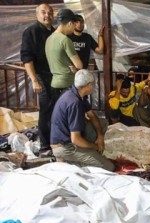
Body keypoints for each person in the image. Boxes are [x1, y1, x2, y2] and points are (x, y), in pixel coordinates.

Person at [50, 69, 114, 171]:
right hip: (65, 147)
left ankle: (83, 156)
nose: (94, 86)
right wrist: (94, 147)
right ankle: (68, 163)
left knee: (102, 123)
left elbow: (92, 115)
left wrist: (100, 136)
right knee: (108, 167)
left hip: (67, 140)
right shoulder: (75, 103)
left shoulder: (76, 94)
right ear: (89, 85)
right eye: (93, 84)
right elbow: (75, 139)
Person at [20, 3, 55, 156]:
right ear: (37, 15)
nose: (47, 15)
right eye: (43, 12)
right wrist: (34, 79)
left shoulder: (55, 32)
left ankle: (56, 142)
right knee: (46, 110)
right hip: (41, 76)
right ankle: (45, 146)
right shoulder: (31, 32)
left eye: (49, 12)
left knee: (56, 110)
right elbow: (27, 59)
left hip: (56, 76)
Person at [45, 8, 83, 102]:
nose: (74, 28)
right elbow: (79, 65)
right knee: (71, 115)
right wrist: (74, 67)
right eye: (74, 25)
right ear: (70, 23)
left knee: (60, 114)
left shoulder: (49, 39)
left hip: (54, 84)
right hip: (67, 84)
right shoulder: (65, 40)